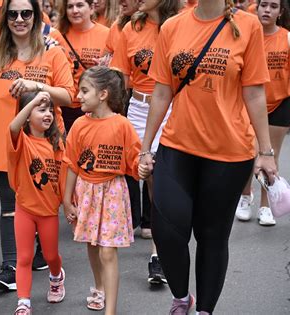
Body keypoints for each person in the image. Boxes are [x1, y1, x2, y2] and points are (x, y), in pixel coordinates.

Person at [138, 0, 278, 313]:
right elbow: (161, 91)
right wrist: (146, 147)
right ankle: (181, 297)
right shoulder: (173, 26)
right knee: (166, 231)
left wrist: (266, 152)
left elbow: (254, 92)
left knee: (212, 236)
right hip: (177, 146)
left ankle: (204, 309)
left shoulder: (248, 25)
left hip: (229, 153)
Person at [0, 0, 74, 292]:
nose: (19, 19)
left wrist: (37, 87)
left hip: (47, 142)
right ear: (4, 17)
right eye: (12, 14)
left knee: (43, 203)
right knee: (11, 203)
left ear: (36, 17)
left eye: (26, 13)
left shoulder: (52, 52)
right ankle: (11, 266)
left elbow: (69, 96)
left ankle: (42, 255)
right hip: (10, 140)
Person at [111, 0, 179, 286]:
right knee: (148, 175)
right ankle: (160, 249)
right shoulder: (131, 27)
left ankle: (159, 255)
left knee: (163, 179)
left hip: (175, 108)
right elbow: (121, 79)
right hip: (138, 108)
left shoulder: (179, 25)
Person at [63, 67, 141, 314]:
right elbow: (71, 165)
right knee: (93, 244)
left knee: (108, 251)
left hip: (113, 192)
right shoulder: (78, 125)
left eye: (85, 91)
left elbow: (134, 161)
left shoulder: (122, 125)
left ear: (104, 94)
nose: (79, 96)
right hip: (86, 192)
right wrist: (67, 200)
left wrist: (145, 167)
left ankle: (111, 310)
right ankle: (99, 287)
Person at [235, 0, 290, 224]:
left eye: (273, 6)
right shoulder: (245, 36)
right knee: (249, 154)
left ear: (280, 13)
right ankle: (245, 196)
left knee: (271, 155)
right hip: (249, 104)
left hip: (279, 103)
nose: (267, 10)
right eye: (263, 5)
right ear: (256, 8)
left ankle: (266, 204)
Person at [8, 91, 66, 315]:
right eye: (41, 110)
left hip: (49, 211)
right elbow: (13, 127)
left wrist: (69, 205)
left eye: (50, 110)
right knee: (24, 257)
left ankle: (56, 276)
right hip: (24, 208)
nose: (48, 114)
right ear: (27, 114)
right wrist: (33, 100)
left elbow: (63, 177)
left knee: (51, 256)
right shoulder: (21, 141)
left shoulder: (57, 144)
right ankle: (24, 302)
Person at [57, 0, 110, 131]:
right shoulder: (57, 35)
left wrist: (106, 65)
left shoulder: (107, 34)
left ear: (91, 8)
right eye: (70, 7)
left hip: (93, 106)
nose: (75, 10)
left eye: (80, 5)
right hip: (63, 106)